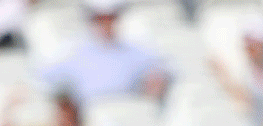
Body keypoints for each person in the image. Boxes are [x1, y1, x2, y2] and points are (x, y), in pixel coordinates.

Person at [40, 0, 170, 105]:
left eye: (111, 17)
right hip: (90, 124)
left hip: (130, 117)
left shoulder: (136, 51)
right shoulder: (72, 52)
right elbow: (45, 79)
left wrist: (155, 82)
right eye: (100, 18)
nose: (106, 23)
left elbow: (162, 71)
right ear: (91, 20)